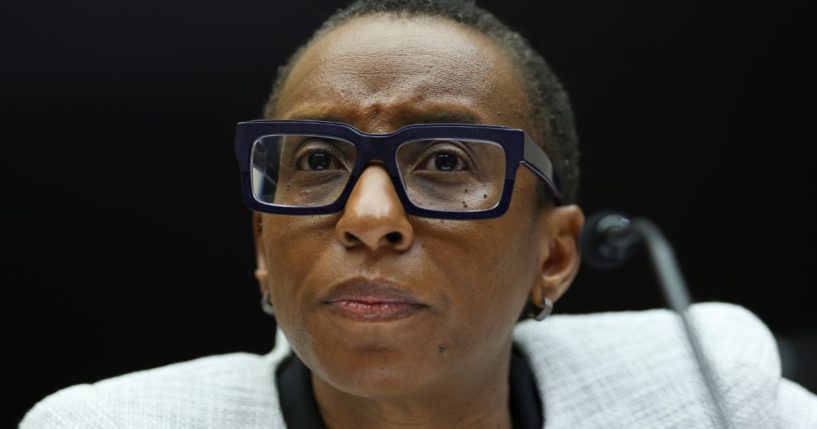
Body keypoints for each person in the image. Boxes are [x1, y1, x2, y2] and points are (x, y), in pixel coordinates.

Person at [20, 0, 817, 428]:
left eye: (443, 163)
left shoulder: (703, 388)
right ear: (262, 240)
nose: (370, 218)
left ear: (554, 256)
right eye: (319, 162)